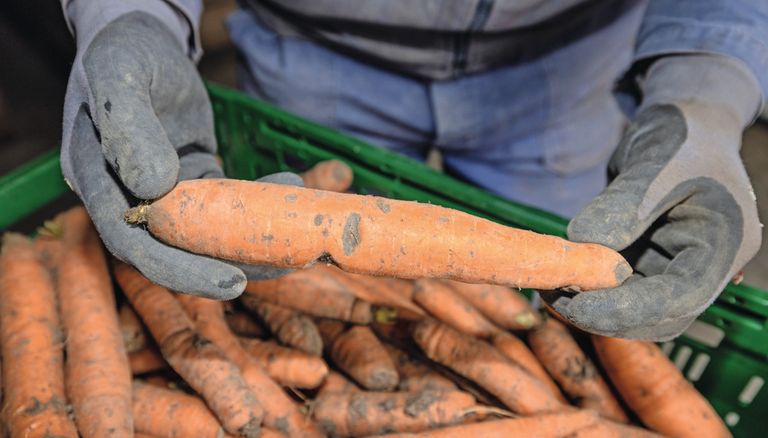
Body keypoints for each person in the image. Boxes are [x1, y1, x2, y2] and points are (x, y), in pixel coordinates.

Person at [59, 0, 767, 341]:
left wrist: (708, 87)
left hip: (571, 65)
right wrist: (125, 12)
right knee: (314, 289)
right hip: (314, 52)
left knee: (575, 301)